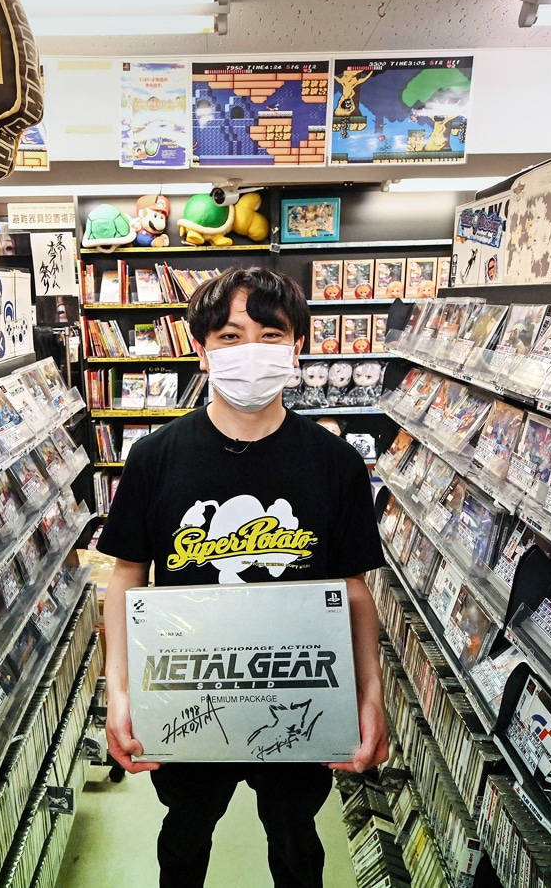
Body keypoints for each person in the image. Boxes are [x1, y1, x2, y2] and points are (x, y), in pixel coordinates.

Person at [98, 266, 389, 888]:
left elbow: (353, 589)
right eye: (230, 336)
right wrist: (118, 688)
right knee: (183, 836)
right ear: (200, 350)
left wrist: (370, 694)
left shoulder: (336, 463)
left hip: (298, 701)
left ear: (297, 347)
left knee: (296, 841)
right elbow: (126, 576)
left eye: (270, 333)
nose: (249, 351)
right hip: (186, 697)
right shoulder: (154, 458)